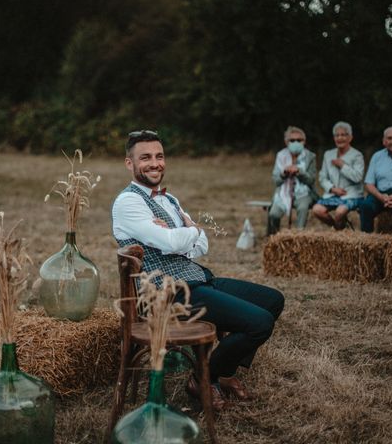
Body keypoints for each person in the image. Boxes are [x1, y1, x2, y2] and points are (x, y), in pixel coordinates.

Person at [112, 130, 284, 410]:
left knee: (273, 300)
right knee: (260, 323)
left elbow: (199, 245)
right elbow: (170, 241)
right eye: (145, 157)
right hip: (167, 295)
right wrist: (187, 231)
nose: (155, 163)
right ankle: (203, 378)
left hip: (198, 280)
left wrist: (185, 234)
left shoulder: (169, 199)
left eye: (159, 156)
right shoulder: (128, 202)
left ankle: (224, 373)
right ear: (129, 164)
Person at [312, 121, 365, 230]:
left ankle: (339, 230)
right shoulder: (328, 154)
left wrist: (342, 166)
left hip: (351, 195)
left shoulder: (357, 155)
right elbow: (322, 177)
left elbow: (358, 177)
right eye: (337, 135)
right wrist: (332, 189)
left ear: (350, 137)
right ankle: (339, 228)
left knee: (339, 212)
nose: (340, 138)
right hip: (332, 194)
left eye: (343, 135)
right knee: (317, 210)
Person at [267, 126, 318, 235]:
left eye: (299, 140)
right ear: (286, 142)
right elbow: (276, 181)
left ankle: (299, 237)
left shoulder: (310, 156)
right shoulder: (281, 156)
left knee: (303, 208)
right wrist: (284, 173)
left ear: (304, 142)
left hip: (304, 193)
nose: (296, 142)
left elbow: (311, 181)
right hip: (283, 193)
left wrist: (300, 172)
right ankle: (275, 238)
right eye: (292, 140)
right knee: (273, 214)